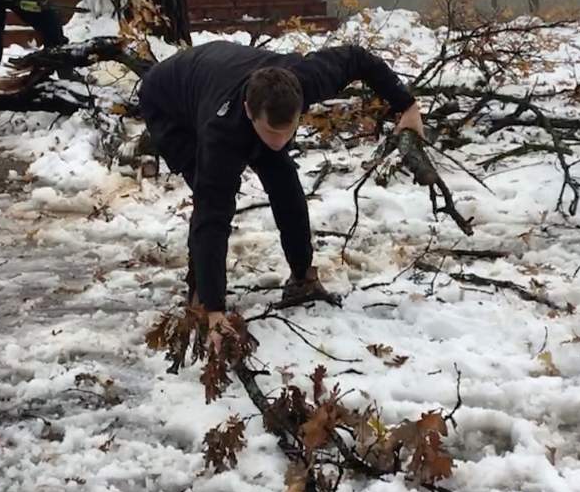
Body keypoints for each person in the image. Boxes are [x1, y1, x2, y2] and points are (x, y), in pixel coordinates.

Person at [139, 40, 424, 343]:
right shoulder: (221, 134)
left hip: (219, 74)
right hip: (167, 100)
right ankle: (202, 299)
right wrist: (216, 311)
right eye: (271, 132)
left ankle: (302, 277)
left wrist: (406, 105)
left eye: (287, 130)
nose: (280, 141)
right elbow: (212, 217)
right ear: (249, 111)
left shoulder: (307, 77)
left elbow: (357, 57)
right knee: (210, 193)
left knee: (284, 181)